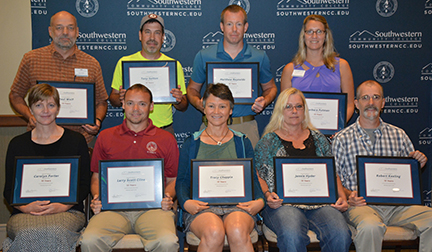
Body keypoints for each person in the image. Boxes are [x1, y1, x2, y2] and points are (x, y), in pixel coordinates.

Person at [332, 80, 432, 252]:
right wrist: (348, 196)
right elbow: (335, 177)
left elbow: (408, 177)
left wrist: (417, 163)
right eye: (365, 98)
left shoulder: (399, 135)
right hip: (362, 205)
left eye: (376, 97)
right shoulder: (341, 138)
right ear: (356, 103)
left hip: (398, 207)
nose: (371, 102)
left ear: (383, 102)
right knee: (371, 227)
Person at [80, 84, 179, 252]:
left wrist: (168, 196)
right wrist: (96, 196)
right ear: (123, 105)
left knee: (167, 242)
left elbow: (173, 180)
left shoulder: (166, 139)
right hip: (113, 209)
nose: (135, 109)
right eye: (130, 103)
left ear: (151, 107)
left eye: (142, 104)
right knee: (89, 241)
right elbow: (96, 177)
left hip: (154, 209)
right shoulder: (106, 137)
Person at [254, 88, 351, 252]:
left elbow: (332, 172)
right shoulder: (267, 141)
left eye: (298, 106)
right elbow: (259, 175)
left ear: (304, 110)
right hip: (282, 204)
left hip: (320, 204)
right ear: (280, 110)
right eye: (288, 106)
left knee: (340, 233)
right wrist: (268, 195)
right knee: (292, 236)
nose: (294, 111)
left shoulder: (319, 139)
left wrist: (342, 198)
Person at [176, 83, 265, 252]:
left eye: (222, 106)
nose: (216, 111)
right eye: (211, 105)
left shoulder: (242, 142)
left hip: (238, 206)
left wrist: (260, 200)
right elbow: (182, 182)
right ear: (203, 107)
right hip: (202, 208)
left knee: (238, 230)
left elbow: (253, 179)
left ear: (230, 110)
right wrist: (185, 202)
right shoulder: (191, 143)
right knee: (214, 231)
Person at [3, 83, 91, 252]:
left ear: (58, 108)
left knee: (56, 232)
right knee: (28, 233)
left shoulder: (76, 141)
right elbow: (9, 191)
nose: (45, 110)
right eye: (38, 105)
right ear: (30, 109)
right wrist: (26, 207)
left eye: (51, 105)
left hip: (69, 210)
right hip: (26, 211)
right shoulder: (17, 144)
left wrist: (63, 205)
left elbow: (84, 185)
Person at [9, 11, 108, 144]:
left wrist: (98, 120)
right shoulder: (31, 59)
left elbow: (101, 102)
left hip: (81, 140)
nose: (65, 32)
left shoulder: (92, 64)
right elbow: (15, 95)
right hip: (40, 138)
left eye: (70, 28)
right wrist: (29, 115)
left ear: (77, 32)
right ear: (50, 31)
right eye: (59, 27)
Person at [187, 5, 278, 147]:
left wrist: (265, 101)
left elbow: (271, 87)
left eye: (239, 24)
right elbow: (192, 89)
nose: (234, 29)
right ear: (222, 26)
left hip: (246, 126)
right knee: (208, 169)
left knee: (249, 169)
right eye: (229, 24)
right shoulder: (204, 56)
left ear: (245, 27)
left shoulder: (259, 57)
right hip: (211, 126)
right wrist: (199, 103)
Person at [109, 14, 187, 135]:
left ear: (163, 37)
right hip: (132, 130)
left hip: (163, 130)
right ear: (140, 35)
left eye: (157, 33)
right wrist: (121, 97)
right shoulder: (125, 63)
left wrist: (178, 99)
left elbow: (183, 106)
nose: (152, 38)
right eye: (147, 32)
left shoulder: (174, 66)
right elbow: (113, 99)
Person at [280, 15, 354, 122]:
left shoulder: (342, 66)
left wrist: (338, 126)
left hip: (332, 134)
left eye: (319, 31)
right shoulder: (290, 69)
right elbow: (284, 107)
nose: (314, 36)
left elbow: (350, 104)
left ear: (326, 35)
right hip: (299, 134)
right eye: (309, 31)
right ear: (303, 35)